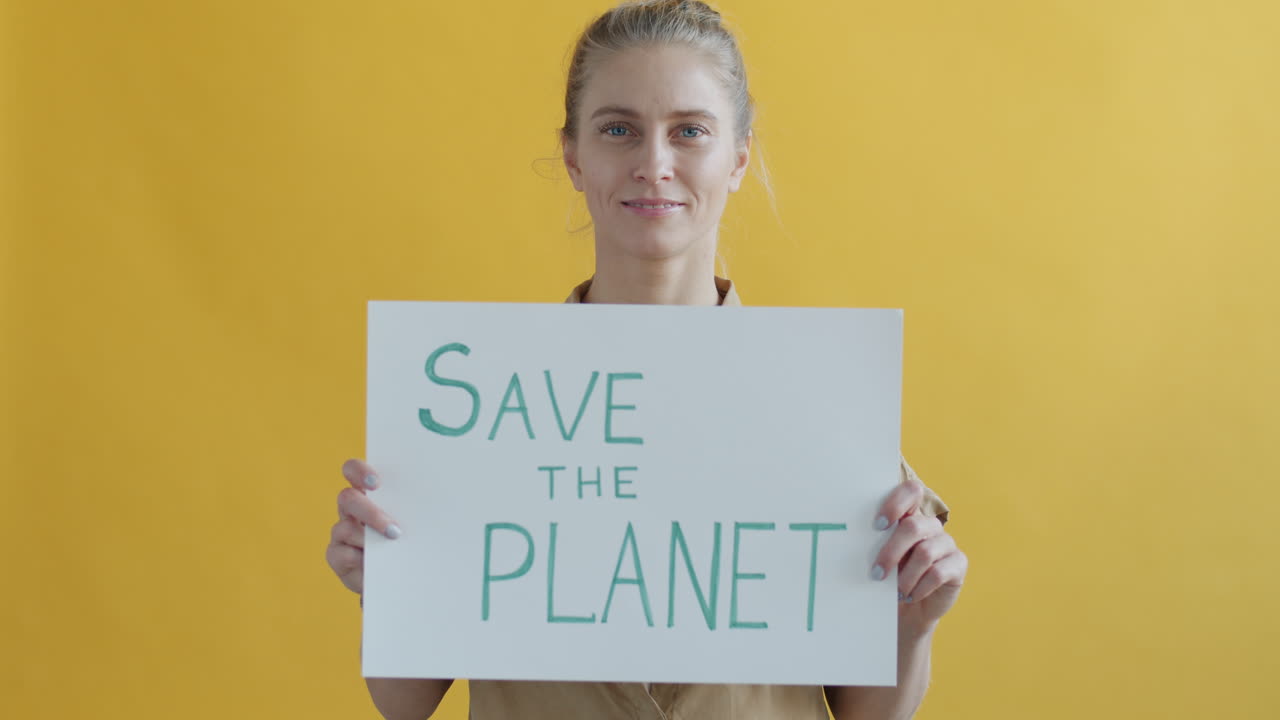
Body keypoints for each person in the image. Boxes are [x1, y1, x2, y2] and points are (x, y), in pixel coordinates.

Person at [325, 1, 968, 718]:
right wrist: (385, 587)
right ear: (573, 155)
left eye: (689, 131)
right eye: (618, 130)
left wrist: (911, 623)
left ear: (739, 158)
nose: (654, 164)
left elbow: (870, 715)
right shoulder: (477, 411)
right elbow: (404, 704)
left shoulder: (826, 402)